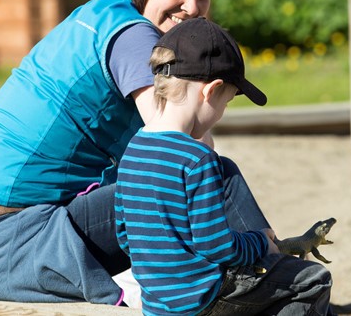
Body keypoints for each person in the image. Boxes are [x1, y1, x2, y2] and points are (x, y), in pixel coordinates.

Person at [0, 0, 274, 305]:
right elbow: (179, 148)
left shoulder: (101, 14)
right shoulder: (133, 37)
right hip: (8, 245)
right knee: (211, 173)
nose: (193, 7)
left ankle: (255, 271)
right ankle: (273, 269)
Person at [115, 18, 334, 316]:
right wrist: (259, 243)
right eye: (226, 103)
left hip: (158, 306)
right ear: (211, 91)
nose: (221, 114)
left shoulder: (133, 151)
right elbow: (216, 246)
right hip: (203, 300)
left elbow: (125, 236)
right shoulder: (196, 157)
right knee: (314, 280)